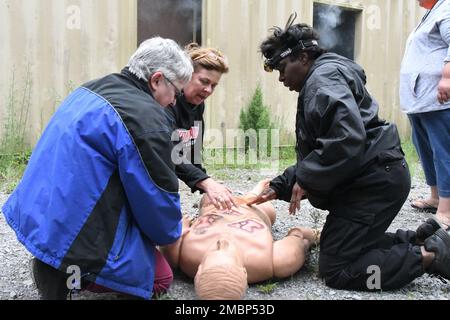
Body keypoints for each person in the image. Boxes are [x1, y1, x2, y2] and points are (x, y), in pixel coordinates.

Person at [248, 14, 450, 291]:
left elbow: (346, 139)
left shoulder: (322, 81)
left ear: (304, 57)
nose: (281, 78)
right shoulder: (324, 77)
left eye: (283, 67)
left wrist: (305, 177)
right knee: (341, 245)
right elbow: (328, 146)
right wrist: (281, 185)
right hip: (377, 175)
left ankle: (428, 256)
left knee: (338, 269)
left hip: (373, 185)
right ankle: (420, 239)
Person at [1, 37, 194, 300]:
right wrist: (174, 232)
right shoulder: (146, 118)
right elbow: (156, 199)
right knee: (159, 277)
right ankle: (72, 273)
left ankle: (55, 264)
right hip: (74, 233)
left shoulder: (90, 89)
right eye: (176, 91)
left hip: (40, 216)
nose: (174, 101)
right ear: (157, 80)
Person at [160, 179, 319, 300]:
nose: (223, 242)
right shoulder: (272, 262)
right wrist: (316, 235)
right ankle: (253, 194)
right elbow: (299, 236)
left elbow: (170, 235)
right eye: (228, 252)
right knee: (267, 207)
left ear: (198, 271)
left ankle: (247, 192)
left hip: (214, 207)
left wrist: (178, 230)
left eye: (215, 249)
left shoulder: (183, 257)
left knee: (207, 199)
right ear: (244, 272)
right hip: (253, 209)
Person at [399, 0, 450, 226]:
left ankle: (446, 210)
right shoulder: (432, 13)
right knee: (425, 149)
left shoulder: (447, 7)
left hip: (437, 98)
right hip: (420, 100)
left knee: (443, 151)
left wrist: (447, 78)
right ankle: (436, 196)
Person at [168, 43, 236, 210]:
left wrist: (208, 183)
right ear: (186, 75)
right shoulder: (167, 102)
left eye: (214, 85)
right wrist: (205, 182)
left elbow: (193, 152)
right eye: (204, 81)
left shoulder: (198, 105)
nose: (208, 90)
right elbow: (166, 152)